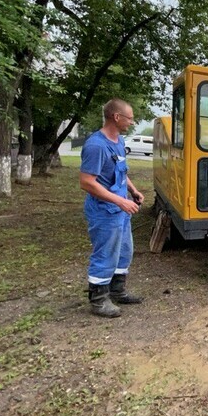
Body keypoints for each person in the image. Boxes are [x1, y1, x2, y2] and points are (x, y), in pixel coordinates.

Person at [79, 99, 145, 317]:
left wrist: (132, 191)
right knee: (105, 253)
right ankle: (98, 301)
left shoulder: (118, 140)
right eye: (130, 118)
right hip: (104, 212)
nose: (132, 122)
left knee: (124, 251)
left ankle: (117, 291)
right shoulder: (96, 145)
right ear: (116, 117)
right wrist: (120, 201)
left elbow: (121, 172)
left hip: (120, 211)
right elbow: (87, 182)